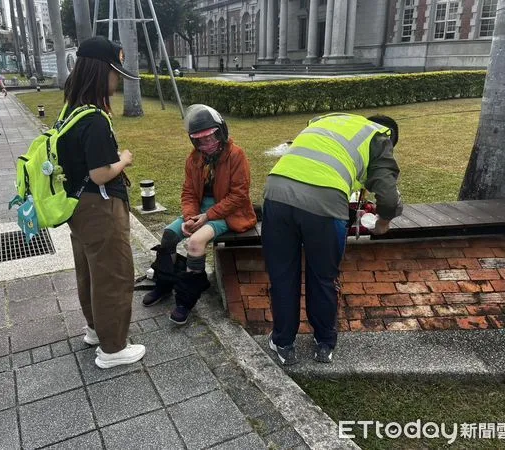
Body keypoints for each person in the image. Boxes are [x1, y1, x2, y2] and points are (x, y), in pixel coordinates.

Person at [262, 113, 403, 365]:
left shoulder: (331, 121)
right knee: (323, 277)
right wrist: (382, 224)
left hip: (277, 193)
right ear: (389, 137)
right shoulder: (380, 138)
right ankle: (324, 343)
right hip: (324, 205)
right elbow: (389, 199)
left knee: (282, 275)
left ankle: (283, 343)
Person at [57, 35, 145, 369]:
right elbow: (100, 173)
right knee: (114, 275)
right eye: (114, 72)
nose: (117, 79)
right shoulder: (94, 119)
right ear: (99, 71)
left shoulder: (70, 112)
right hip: (100, 207)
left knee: (90, 271)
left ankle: (95, 329)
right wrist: (124, 159)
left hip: (78, 209)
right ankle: (113, 349)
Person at [142, 104, 257, 325]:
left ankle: (186, 300)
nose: (206, 143)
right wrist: (189, 217)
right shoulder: (194, 158)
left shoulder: (236, 155)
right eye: (200, 140)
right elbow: (188, 192)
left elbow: (239, 196)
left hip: (229, 212)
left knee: (195, 242)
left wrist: (207, 216)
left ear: (221, 132)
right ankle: (165, 284)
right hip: (200, 212)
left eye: (210, 137)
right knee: (169, 235)